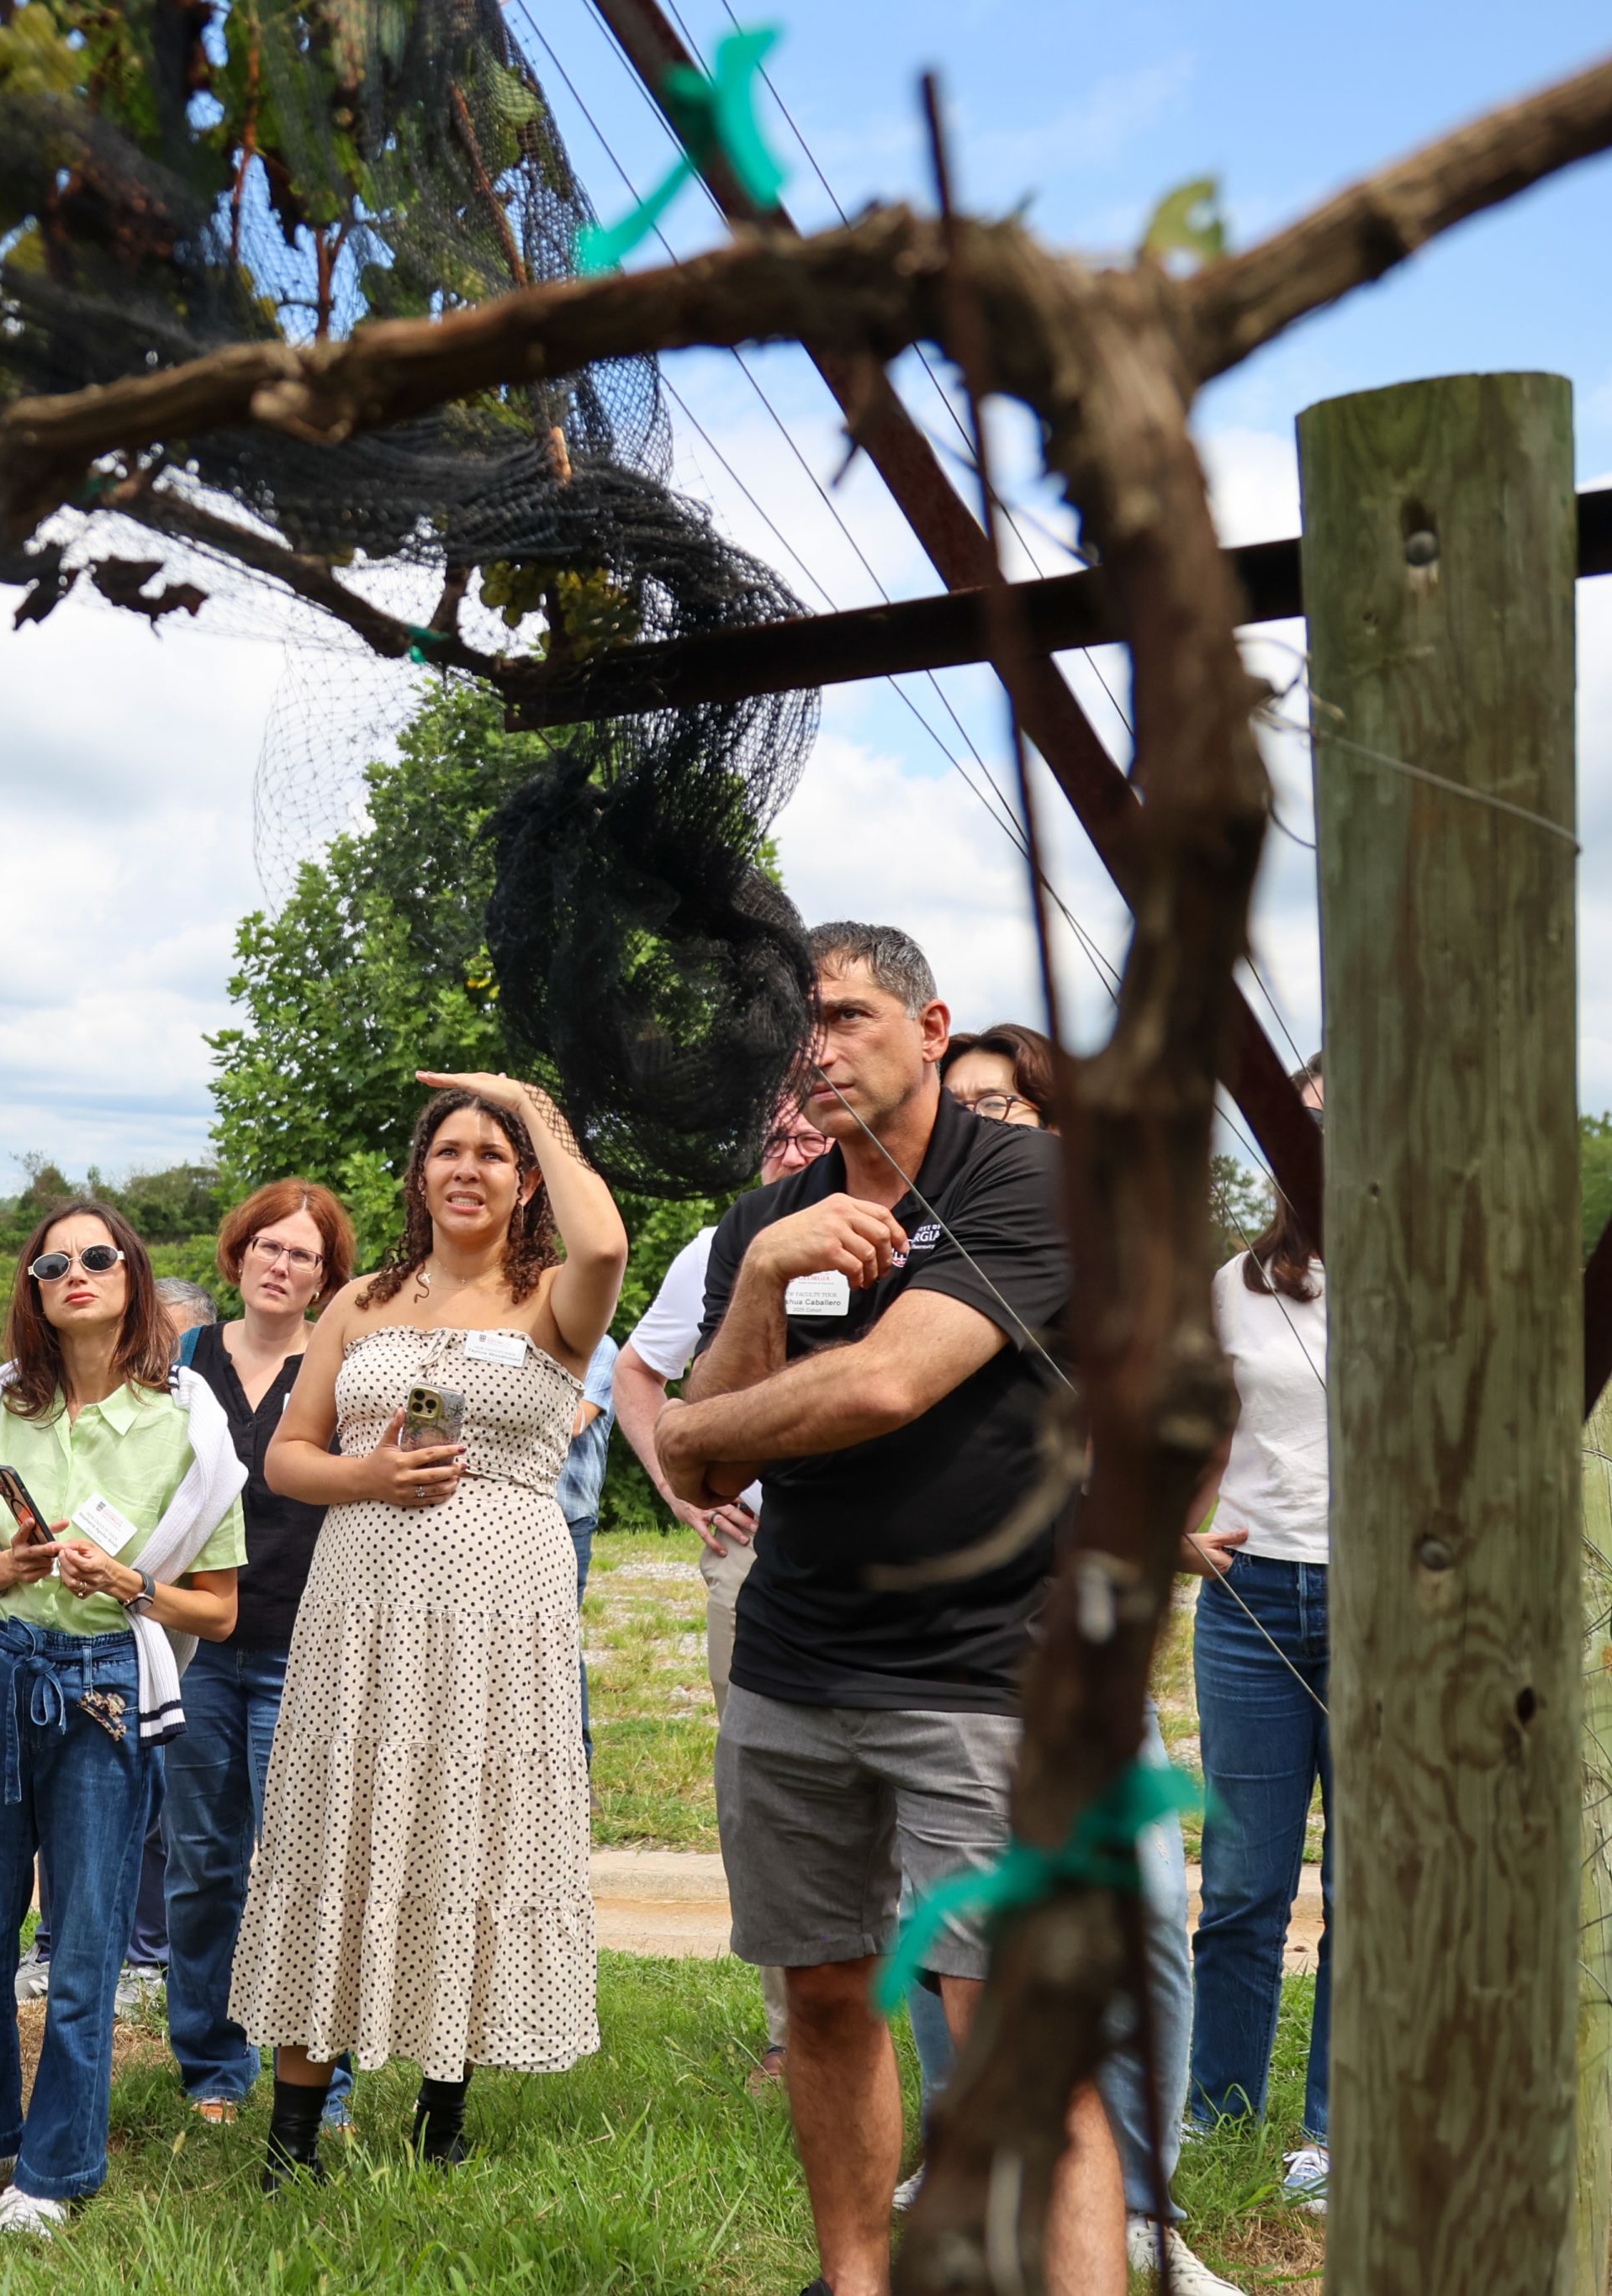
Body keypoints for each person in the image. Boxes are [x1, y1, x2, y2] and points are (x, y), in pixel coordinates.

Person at [655, 924, 1123, 2296]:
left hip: (985, 1672)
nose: (816, 1046)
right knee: (824, 1995)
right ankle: (855, 2279)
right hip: (791, 1667)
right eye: (794, 1025)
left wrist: (715, 1423)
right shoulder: (771, 1221)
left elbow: (877, 1389)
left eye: (848, 1013)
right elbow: (703, 1461)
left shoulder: (1029, 1178)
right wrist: (756, 1279)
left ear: (931, 1028)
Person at [233, 1072, 626, 2183]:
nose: (468, 1167)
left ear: (526, 1180)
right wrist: (367, 1472)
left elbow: (606, 1243)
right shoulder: (361, 1301)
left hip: (502, 1607)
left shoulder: (555, 1293)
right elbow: (288, 1455)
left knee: (472, 1828)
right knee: (334, 1831)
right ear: (419, 1174)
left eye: (493, 1154)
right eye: (449, 1149)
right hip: (360, 1601)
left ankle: (442, 2115)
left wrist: (529, 1101)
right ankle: (291, 2142)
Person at [896, 1027, 1229, 2294]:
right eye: (965, 1104)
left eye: (1004, 1103)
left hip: (1081, 1651)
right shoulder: (916, 1248)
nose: (983, 1123)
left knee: (1145, 1906)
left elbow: (1202, 1399)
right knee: (950, 1917)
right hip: (945, 1654)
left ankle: (1142, 2197)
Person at [0, 1201, 247, 2237]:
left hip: (109, 1681)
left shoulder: (189, 1424)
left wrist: (131, 1585)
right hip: (1, 1668)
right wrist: (8, 1565)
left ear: (131, 1273)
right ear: (32, 1291)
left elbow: (216, 1608)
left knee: (84, 1946)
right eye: (52, 1262)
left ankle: (58, 2166)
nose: (75, 1272)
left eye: (97, 1256)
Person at [610, 1095, 827, 2093]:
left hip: (896, 1548)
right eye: (775, 1136)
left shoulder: (916, 1229)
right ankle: (792, 2033)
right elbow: (636, 1375)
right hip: (752, 1551)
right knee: (769, 1790)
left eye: (811, 1134)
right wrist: (685, 1493)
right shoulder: (716, 1245)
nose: (793, 1150)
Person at [163, 1179, 359, 2129]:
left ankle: (324, 2082)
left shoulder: (344, 1362)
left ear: (327, 1279)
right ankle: (212, 2061)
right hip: (198, 1646)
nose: (283, 1267)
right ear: (237, 1257)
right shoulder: (182, 1361)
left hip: (308, 1646)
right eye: (269, 1248)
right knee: (202, 1863)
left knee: (308, 1867)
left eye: (305, 1256)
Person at [1184, 1055, 1334, 2214]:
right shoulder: (1236, 1282)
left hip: (1402, 1605)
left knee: (1377, 1880)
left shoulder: (1447, 1275)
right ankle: (1218, 2106)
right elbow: (1185, 1422)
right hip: (1250, 1599)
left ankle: (1336, 2129)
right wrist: (1176, 1525)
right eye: (1312, 1119)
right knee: (1242, 1878)